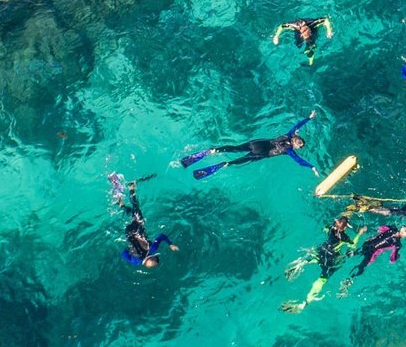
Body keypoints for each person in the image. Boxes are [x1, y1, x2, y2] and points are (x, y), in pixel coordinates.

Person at [181, 111, 319, 180]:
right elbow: (299, 161)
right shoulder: (290, 151)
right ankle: (225, 164)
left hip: (257, 143)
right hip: (261, 153)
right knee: (240, 160)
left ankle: (215, 150)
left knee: (236, 148)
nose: (299, 148)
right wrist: (311, 167)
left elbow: (297, 125)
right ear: (295, 145)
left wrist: (309, 117)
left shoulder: (289, 134)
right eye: (299, 147)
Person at [282, 215, 366, 311]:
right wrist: (360, 233)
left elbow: (324, 229)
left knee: (316, 258)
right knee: (322, 279)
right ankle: (306, 301)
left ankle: (302, 263)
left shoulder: (331, 228)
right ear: (346, 227)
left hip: (322, 249)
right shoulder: (345, 237)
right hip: (330, 257)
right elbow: (353, 246)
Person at [115, 179, 177, 267]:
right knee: (133, 214)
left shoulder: (152, 248)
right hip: (128, 232)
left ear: (153, 256)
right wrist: (130, 249)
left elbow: (161, 236)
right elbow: (123, 253)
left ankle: (131, 188)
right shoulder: (135, 261)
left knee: (136, 208)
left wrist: (171, 244)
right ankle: (121, 205)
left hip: (138, 228)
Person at [339, 225, 406, 293]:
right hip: (372, 253)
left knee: (358, 251)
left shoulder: (392, 228)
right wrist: (398, 256)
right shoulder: (397, 244)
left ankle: (341, 257)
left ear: (402, 228)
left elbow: (380, 228)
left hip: (367, 243)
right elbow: (392, 260)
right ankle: (348, 282)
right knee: (362, 266)